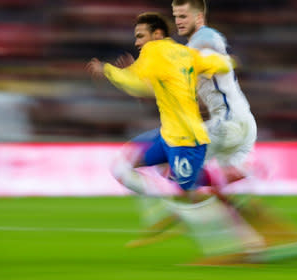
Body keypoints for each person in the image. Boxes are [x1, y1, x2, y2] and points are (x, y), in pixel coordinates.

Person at [87, 12, 264, 263]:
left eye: (140, 36)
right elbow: (219, 64)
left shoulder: (154, 52)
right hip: (168, 134)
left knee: (191, 195)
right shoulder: (184, 53)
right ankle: (162, 212)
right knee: (126, 165)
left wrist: (106, 69)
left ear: (157, 34)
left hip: (186, 139)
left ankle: (245, 243)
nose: (137, 42)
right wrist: (231, 62)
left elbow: (135, 82)